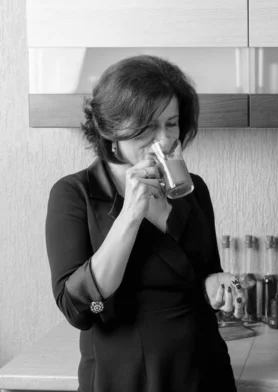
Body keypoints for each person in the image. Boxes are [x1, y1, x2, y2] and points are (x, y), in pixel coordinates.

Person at [45, 55, 245, 392]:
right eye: (147, 125)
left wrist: (215, 286)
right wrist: (130, 214)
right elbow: (81, 310)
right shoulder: (75, 194)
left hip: (203, 370)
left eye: (171, 123)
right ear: (111, 130)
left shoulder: (192, 189)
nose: (163, 139)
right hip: (125, 377)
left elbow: (202, 274)